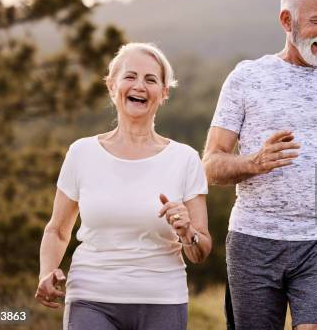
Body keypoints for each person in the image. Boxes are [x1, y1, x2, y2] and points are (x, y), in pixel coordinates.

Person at [202, 0, 317, 330]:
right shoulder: (247, 78)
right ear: (286, 20)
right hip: (254, 240)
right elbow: (212, 164)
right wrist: (254, 162)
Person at [35, 43, 211, 330]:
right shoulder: (82, 153)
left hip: (162, 300)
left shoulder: (185, 159)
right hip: (90, 298)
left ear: (164, 93)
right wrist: (47, 271)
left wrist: (187, 231)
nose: (139, 86)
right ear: (111, 86)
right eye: (130, 76)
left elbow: (201, 250)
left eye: (151, 79)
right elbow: (57, 229)